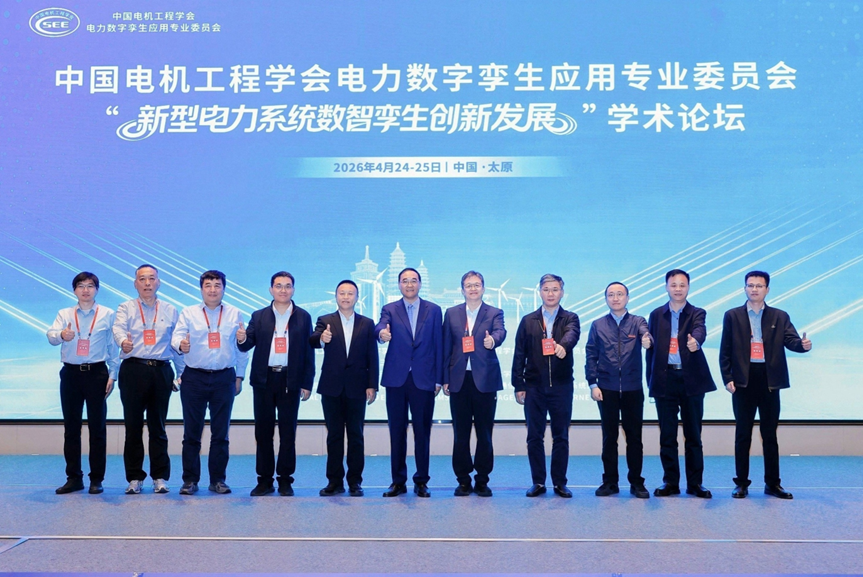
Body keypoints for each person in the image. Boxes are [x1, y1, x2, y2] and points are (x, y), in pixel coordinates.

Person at [720, 270, 812, 500]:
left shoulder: (779, 316)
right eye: (750, 285)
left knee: (769, 434)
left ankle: (773, 484)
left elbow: (791, 340)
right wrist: (727, 377)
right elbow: (725, 350)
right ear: (744, 288)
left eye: (759, 286)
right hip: (743, 380)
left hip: (770, 380)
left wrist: (803, 346)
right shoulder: (732, 315)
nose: (754, 289)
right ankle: (741, 484)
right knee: (743, 434)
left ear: (767, 290)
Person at [238, 272, 314, 497]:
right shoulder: (259, 316)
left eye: (288, 286)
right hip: (264, 379)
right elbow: (247, 344)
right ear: (271, 289)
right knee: (263, 432)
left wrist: (307, 382)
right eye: (278, 286)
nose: (283, 290)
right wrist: (241, 338)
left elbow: (309, 352)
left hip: (291, 379)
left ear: (293, 290)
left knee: (288, 432)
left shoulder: (303, 316)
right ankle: (264, 480)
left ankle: (285, 480)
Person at [172, 270, 248, 495]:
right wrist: (181, 345)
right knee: (191, 433)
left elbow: (241, 348)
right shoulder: (189, 312)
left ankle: (218, 480)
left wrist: (239, 376)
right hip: (194, 377)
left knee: (220, 433)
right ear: (201, 289)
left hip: (224, 377)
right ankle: (189, 480)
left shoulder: (234, 313)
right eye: (208, 285)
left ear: (224, 288)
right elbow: (176, 337)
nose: (213, 290)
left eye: (217, 285)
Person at [112, 264, 184, 495]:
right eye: (142, 279)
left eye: (152, 278)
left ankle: (159, 477)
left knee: (158, 427)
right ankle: (134, 478)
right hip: (133, 369)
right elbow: (118, 329)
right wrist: (123, 342)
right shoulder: (125, 307)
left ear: (158, 282)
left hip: (161, 371)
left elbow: (176, 343)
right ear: (135, 283)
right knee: (133, 427)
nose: (147, 283)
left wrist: (181, 374)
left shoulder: (170, 310)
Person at [645, 269, 716, 498]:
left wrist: (697, 341)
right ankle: (670, 483)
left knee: (693, 435)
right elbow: (651, 350)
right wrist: (651, 379)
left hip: (691, 379)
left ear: (688, 287)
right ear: (666, 287)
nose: (678, 289)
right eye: (673, 285)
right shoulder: (656, 315)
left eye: (682, 285)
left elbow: (700, 330)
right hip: (665, 379)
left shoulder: (697, 312)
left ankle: (695, 484)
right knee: (667, 436)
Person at [47, 271, 118, 495]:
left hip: (97, 373)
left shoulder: (108, 314)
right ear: (74, 290)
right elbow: (51, 336)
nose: (85, 290)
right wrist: (62, 335)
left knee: (98, 428)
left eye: (90, 285)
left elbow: (113, 347)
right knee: (71, 428)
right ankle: (74, 478)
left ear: (97, 289)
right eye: (81, 286)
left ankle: (96, 479)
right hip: (70, 374)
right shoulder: (64, 313)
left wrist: (113, 375)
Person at [375, 267, 443, 498]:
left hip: (424, 379)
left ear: (420, 284)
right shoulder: (390, 309)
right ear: (399, 285)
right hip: (397, 379)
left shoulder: (434, 310)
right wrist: (381, 334)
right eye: (405, 281)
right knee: (397, 431)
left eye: (414, 280)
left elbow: (439, 344)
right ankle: (398, 481)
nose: (409, 284)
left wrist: (439, 378)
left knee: (422, 432)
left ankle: (421, 481)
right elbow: (380, 326)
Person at [512, 273, 580, 498]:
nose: (550, 293)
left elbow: (572, 335)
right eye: (546, 289)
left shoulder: (570, 318)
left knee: (561, 436)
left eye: (555, 289)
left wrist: (563, 346)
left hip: (561, 387)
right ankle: (538, 482)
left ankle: (560, 483)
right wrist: (518, 384)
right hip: (534, 387)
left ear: (562, 292)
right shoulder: (528, 320)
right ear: (539, 292)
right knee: (534, 437)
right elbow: (519, 354)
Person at [310, 280, 379, 497]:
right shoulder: (325, 320)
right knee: (334, 436)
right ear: (336, 296)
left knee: (356, 436)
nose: (346, 297)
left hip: (358, 387)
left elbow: (372, 356)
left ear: (357, 298)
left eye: (350, 294)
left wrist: (372, 384)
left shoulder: (367, 323)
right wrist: (322, 338)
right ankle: (334, 481)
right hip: (331, 387)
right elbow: (313, 339)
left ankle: (355, 482)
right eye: (342, 293)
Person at [442, 271, 506, 497]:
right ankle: (462, 480)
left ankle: (482, 480)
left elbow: (500, 332)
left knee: (484, 434)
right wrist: (445, 378)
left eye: (477, 285)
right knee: (460, 434)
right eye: (468, 285)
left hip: (485, 380)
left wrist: (493, 340)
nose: (473, 289)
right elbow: (446, 346)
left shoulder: (494, 312)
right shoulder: (451, 313)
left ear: (483, 288)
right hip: (459, 380)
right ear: (462, 290)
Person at [585, 282, 651, 499]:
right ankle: (610, 482)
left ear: (627, 298)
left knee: (634, 438)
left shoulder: (638, 321)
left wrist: (647, 340)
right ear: (606, 299)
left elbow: (646, 335)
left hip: (633, 388)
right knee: (609, 437)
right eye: (611, 295)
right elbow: (591, 354)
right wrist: (593, 383)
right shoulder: (598, 325)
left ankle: (636, 482)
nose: (615, 298)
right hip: (606, 388)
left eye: (620, 294)